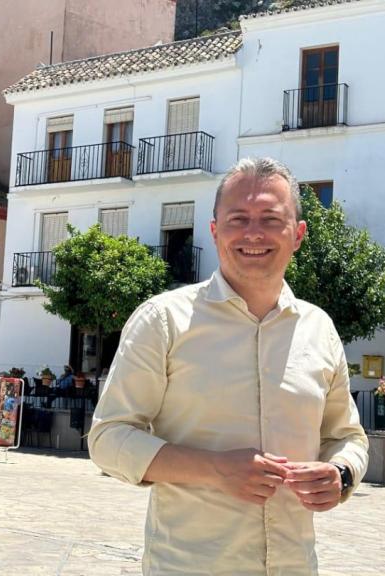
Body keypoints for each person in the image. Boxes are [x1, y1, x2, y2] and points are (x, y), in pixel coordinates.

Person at [88, 158, 368, 575]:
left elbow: (346, 436)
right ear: (215, 230)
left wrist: (341, 473)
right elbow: (109, 438)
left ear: (298, 235)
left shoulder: (319, 329)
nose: (254, 233)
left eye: (271, 219)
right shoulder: (163, 321)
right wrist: (215, 469)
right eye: (238, 219)